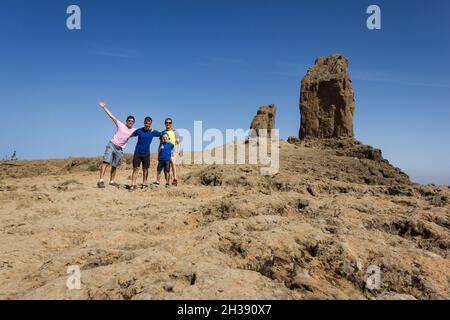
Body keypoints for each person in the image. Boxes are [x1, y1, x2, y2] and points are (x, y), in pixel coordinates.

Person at [97, 100, 136, 188]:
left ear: (133, 123)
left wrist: (151, 129)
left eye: (132, 121)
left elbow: (143, 131)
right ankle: (101, 180)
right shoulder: (120, 124)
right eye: (129, 120)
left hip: (120, 149)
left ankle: (111, 181)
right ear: (126, 121)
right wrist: (104, 107)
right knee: (106, 162)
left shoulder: (134, 130)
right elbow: (111, 116)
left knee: (114, 165)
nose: (130, 122)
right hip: (112, 145)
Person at [129, 117, 161, 191]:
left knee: (145, 169)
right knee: (135, 168)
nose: (147, 125)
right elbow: (130, 134)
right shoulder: (139, 130)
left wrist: (171, 130)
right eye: (146, 123)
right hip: (137, 152)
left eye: (149, 123)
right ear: (144, 123)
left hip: (146, 153)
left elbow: (162, 134)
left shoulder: (153, 132)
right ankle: (133, 184)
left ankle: (144, 184)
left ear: (151, 124)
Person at [161, 118, 180, 186]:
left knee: (173, 164)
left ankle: (175, 179)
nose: (168, 124)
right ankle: (167, 182)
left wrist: (179, 149)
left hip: (172, 151)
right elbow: (161, 142)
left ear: (171, 123)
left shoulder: (175, 131)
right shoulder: (163, 132)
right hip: (165, 151)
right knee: (166, 167)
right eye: (167, 122)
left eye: (170, 122)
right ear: (165, 123)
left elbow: (178, 141)